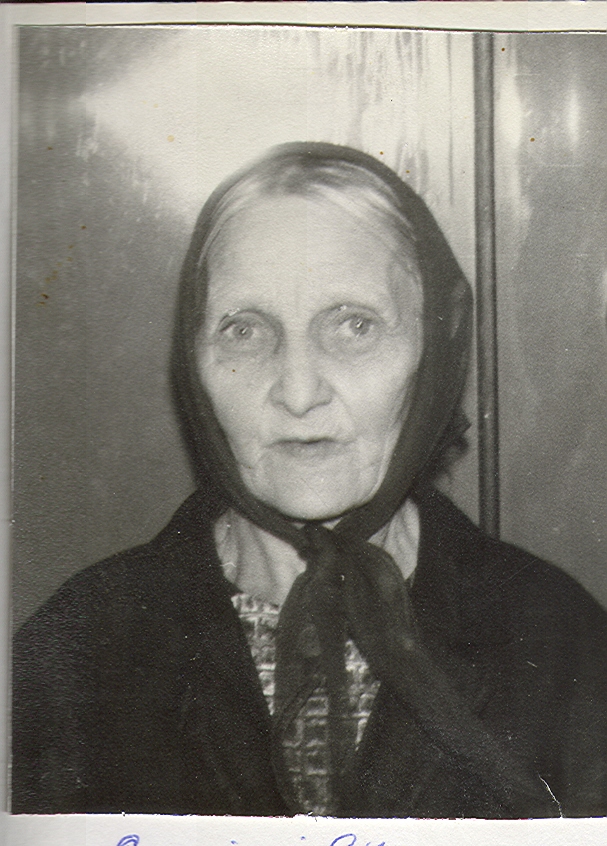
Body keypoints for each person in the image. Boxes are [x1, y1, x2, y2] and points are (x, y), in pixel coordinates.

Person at [12, 142, 607, 818]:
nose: (297, 393)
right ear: (194, 359)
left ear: (434, 350)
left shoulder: (561, 644)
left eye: (354, 326)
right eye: (244, 331)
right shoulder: (76, 652)